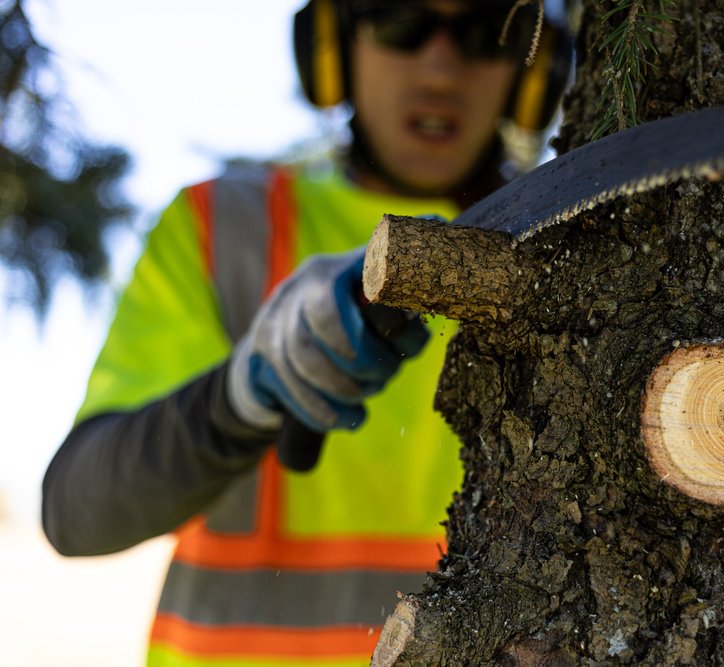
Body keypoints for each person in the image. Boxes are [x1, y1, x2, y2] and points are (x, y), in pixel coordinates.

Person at [41, 1, 572, 665]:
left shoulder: (573, 248)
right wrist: (239, 398)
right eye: (400, 21)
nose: (441, 67)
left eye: (484, 32)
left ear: (535, 67)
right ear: (333, 44)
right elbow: (75, 512)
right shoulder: (223, 228)